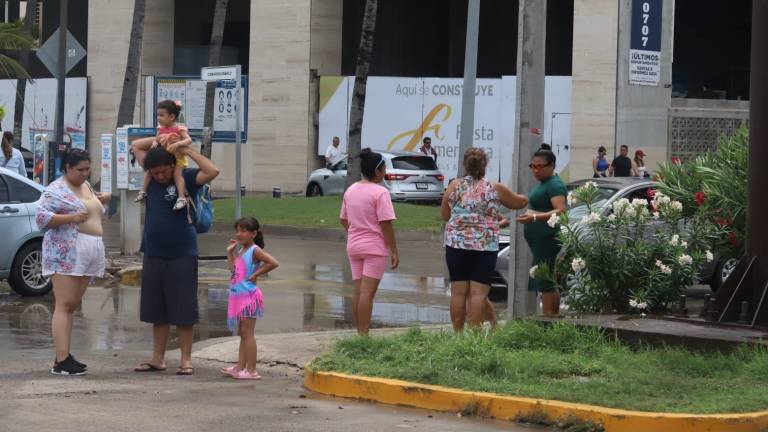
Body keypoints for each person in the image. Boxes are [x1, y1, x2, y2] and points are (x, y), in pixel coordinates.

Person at [131, 145, 220, 375]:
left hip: (182, 253)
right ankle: (157, 359)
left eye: (163, 172)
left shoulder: (185, 178)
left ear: (173, 165)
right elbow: (136, 146)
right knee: (156, 310)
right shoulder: (151, 178)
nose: (160, 177)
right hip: (153, 252)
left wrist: (185, 149)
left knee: (183, 310)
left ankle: (186, 360)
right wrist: (162, 137)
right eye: (155, 172)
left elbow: (212, 171)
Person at [36, 149, 111, 375]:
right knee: (65, 304)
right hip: (67, 251)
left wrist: (100, 199)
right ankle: (61, 359)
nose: (85, 174)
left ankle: (65, 355)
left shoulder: (86, 186)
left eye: (87, 169)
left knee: (73, 305)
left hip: (89, 250)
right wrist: (70, 218)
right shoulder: (56, 190)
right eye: (80, 170)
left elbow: (94, 210)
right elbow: (41, 217)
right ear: (67, 168)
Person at [442, 148, 528, 331]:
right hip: (484, 247)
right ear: (485, 165)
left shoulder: (454, 186)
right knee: (478, 295)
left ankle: (457, 335)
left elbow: (444, 214)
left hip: (456, 246)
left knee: (458, 293)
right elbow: (519, 202)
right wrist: (526, 196)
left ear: (465, 164)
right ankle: (475, 335)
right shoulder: (494, 188)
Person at [339, 148, 399, 336]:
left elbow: (343, 219)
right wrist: (394, 250)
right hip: (374, 248)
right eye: (384, 169)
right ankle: (364, 336)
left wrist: (356, 231)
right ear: (377, 171)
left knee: (359, 292)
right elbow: (386, 224)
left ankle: (359, 333)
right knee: (367, 294)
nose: (385, 173)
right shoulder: (380, 192)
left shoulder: (351, 190)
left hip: (354, 246)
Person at [220, 217, 280, 380]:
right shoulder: (242, 250)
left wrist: (255, 274)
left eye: (243, 231)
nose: (239, 234)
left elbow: (273, 262)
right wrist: (230, 253)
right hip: (239, 296)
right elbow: (234, 271)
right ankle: (240, 367)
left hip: (249, 296)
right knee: (243, 333)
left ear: (253, 233)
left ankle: (251, 370)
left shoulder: (254, 250)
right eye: (237, 230)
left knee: (248, 333)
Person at [516, 144, 568, 317]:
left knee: (544, 277)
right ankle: (552, 317)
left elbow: (560, 211)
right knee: (547, 277)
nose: (535, 170)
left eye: (540, 166)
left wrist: (535, 218)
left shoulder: (555, 185)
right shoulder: (545, 183)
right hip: (539, 237)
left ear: (551, 165)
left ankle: (547, 319)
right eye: (533, 166)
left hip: (547, 237)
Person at [133, 100, 192, 210]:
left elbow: (189, 140)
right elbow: (156, 139)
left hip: (178, 158)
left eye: (161, 115)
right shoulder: (160, 129)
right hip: (166, 158)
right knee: (150, 171)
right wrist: (156, 142)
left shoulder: (179, 129)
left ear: (172, 116)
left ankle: (181, 197)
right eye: (158, 115)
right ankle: (143, 190)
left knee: (177, 175)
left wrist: (178, 143)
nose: (158, 118)